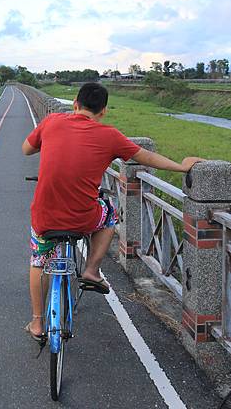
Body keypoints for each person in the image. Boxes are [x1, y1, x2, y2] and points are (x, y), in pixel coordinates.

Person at [22, 82, 202, 339]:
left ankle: (37, 322)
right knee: (109, 213)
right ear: (103, 111)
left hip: (45, 216)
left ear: (75, 103)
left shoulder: (52, 122)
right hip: (84, 217)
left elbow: (26, 149)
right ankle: (92, 270)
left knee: (38, 261)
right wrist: (182, 167)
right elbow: (146, 157)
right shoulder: (110, 135)